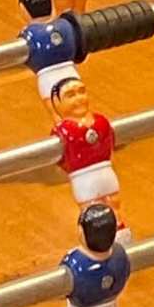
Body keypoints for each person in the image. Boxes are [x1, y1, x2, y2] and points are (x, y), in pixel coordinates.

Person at [50, 74, 124, 226]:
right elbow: (61, 159)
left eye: (81, 92)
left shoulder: (101, 121)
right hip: (83, 179)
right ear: (57, 102)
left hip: (105, 173)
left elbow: (110, 146)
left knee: (114, 205)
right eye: (70, 95)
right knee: (93, 214)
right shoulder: (63, 131)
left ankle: (122, 237)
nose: (78, 99)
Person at [20, 0, 87, 101]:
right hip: (71, 72)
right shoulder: (65, 25)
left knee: (60, 113)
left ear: (24, 10)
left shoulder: (28, 34)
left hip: (48, 80)